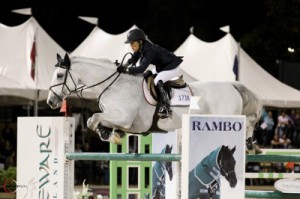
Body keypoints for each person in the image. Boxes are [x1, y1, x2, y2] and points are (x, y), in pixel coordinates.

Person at [117, 28, 183, 118]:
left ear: (140, 41)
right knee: (146, 76)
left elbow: (141, 68)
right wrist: (123, 65)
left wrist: (126, 70)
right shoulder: (141, 47)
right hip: (161, 66)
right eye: (130, 43)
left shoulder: (149, 50)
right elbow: (133, 58)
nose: (131, 46)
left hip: (172, 66)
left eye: (132, 43)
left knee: (157, 81)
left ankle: (166, 107)